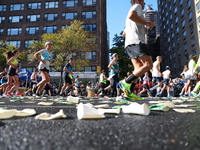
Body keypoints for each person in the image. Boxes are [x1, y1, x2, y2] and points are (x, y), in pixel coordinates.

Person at [119, 0, 154, 100]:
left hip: (129, 44)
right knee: (148, 65)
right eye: (143, 1)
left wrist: (143, 29)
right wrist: (147, 23)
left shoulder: (130, 18)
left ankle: (129, 93)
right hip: (137, 42)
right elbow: (131, 15)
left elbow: (124, 34)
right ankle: (125, 82)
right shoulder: (137, 6)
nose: (144, 3)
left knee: (138, 68)